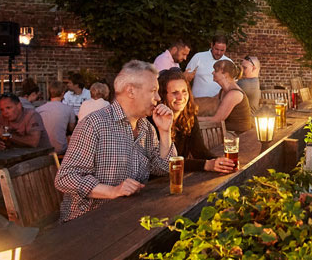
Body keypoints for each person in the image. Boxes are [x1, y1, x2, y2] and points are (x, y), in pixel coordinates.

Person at [55, 60, 176, 222]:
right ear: (131, 91)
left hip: (126, 215)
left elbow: (163, 169)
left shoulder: (146, 128)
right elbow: (65, 178)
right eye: (153, 91)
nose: (158, 98)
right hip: (87, 221)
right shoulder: (95, 124)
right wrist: (112, 191)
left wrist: (165, 131)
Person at [155, 68, 235, 173]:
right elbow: (167, 163)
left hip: (180, 179)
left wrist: (220, 162)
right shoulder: (154, 120)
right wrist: (206, 165)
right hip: (156, 183)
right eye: (175, 93)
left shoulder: (189, 116)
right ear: (163, 95)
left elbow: (200, 152)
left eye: (184, 91)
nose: (181, 97)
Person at [210, 59, 252, 133]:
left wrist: (193, 119)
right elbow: (209, 105)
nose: (212, 72)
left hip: (239, 136)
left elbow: (216, 120)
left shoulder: (234, 94)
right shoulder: (223, 91)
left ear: (225, 74)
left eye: (215, 70)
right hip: (228, 132)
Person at [184, 34, 231, 99]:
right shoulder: (198, 57)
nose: (219, 53)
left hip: (218, 103)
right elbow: (185, 79)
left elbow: (231, 85)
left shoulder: (229, 63)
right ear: (211, 45)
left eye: (222, 50)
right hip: (198, 102)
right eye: (216, 49)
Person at [36, 80, 75, 155]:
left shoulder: (39, 110)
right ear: (62, 94)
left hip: (42, 149)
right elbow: (71, 129)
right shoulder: (68, 109)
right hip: (60, 149)